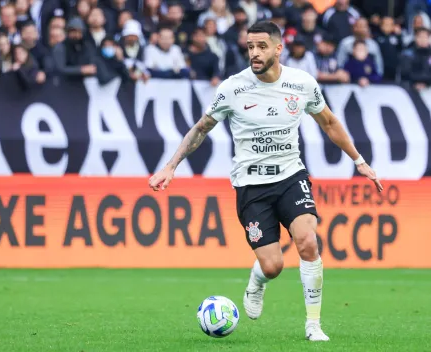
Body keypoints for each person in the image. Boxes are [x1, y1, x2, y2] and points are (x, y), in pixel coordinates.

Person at [148, 21, 383, 341]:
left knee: (308, 241)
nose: (254, 53)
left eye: (261, 46)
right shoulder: (233, 87)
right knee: (273, 266)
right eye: (250, 47)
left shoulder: (302, 83)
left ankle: (313, 324)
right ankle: (257, 282)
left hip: (291, 176)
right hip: (251, 186)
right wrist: (170, 166)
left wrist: (360, 162)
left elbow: (329, 122)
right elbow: (201, 128)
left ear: (277, 48)